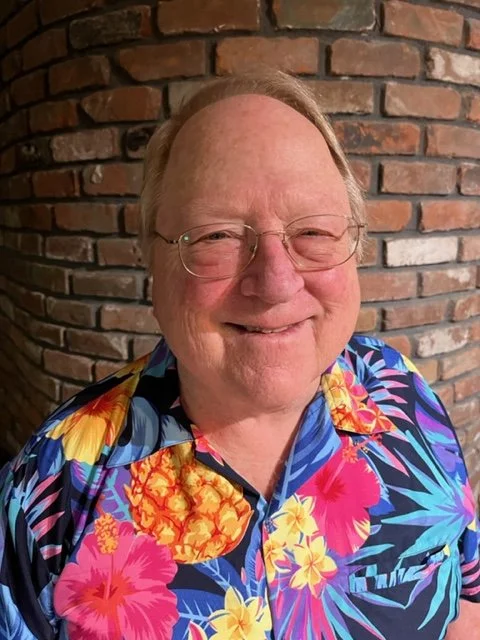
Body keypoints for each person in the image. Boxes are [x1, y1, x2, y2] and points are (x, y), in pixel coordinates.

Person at [0, 70, 478, 640]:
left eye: (314, 232)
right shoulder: (52, 488)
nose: (275, 282)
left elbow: (465, 597)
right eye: (216, 236)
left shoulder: (403, 394)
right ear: (151, 258)